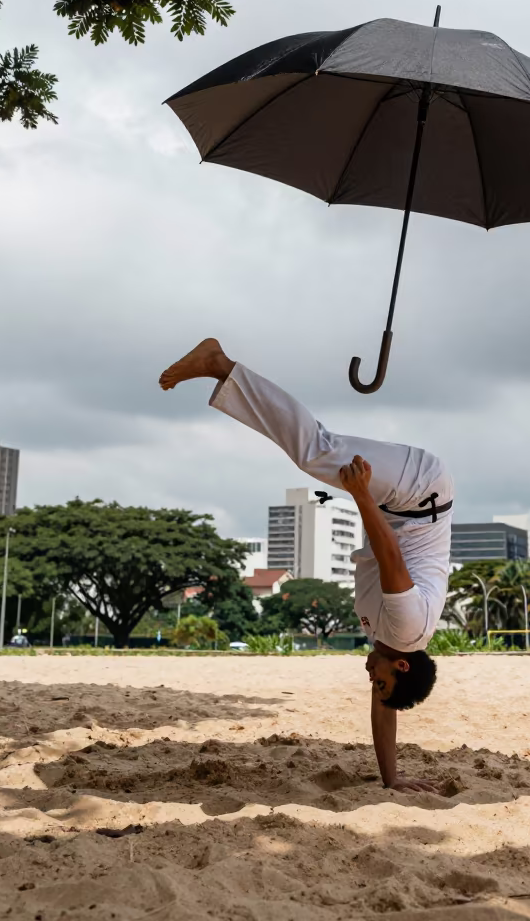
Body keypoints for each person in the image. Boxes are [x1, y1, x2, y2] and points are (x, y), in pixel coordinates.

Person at [159, 338, 453, 793]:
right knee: (319, 453)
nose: (370, 679)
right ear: (402, 667)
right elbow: (391, 554)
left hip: (402, 506)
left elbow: (384, 711)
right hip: (418, 491)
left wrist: (392, 780)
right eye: (380, 682)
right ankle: (220, 363)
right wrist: (359, 494)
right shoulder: (407, 629)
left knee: (316, 456)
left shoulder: (391, 645)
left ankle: (225, 372)